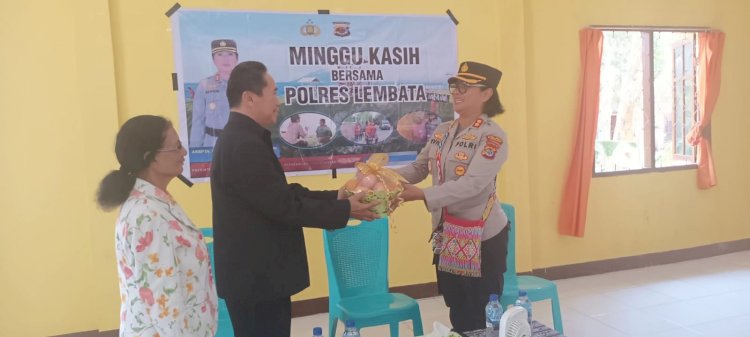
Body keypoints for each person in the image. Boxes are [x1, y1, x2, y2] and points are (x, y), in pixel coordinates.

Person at [210, 61, 379, 337]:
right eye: (273, 92)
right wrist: (345, 209)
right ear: (250, 98)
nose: (278, 102)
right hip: (256, 280)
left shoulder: (243, 138)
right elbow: (284, 206)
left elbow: (280, 194)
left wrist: (336, 197)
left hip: (258, 276)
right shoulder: (243, 144)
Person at [397, 61, 510, 332]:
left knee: (482, 310)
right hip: (447, 234)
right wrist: (382, 179)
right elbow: (419, 168)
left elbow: (472, 185)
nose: (456, 92)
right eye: (454, 86)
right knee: (457, 306)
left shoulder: (493, 137)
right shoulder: (443, 130)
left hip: (482, 237)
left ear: (486, 94)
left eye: (464, 87)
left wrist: (421, 195)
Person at [96, 115, 218, 337]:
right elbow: (165, 305)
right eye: (176, 147)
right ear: (149, 157)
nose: (184, 153)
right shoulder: (147, 215)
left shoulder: (157, 202)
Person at [190, 39, 239, 147]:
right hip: (212, 143)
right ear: (213, 59)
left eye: (230, 54)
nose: (225, 59)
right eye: (220, 54)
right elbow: (198, 122)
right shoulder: (204, 85)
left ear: (236, 58)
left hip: (240, 142)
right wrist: (195, 150)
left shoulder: (247, 84)